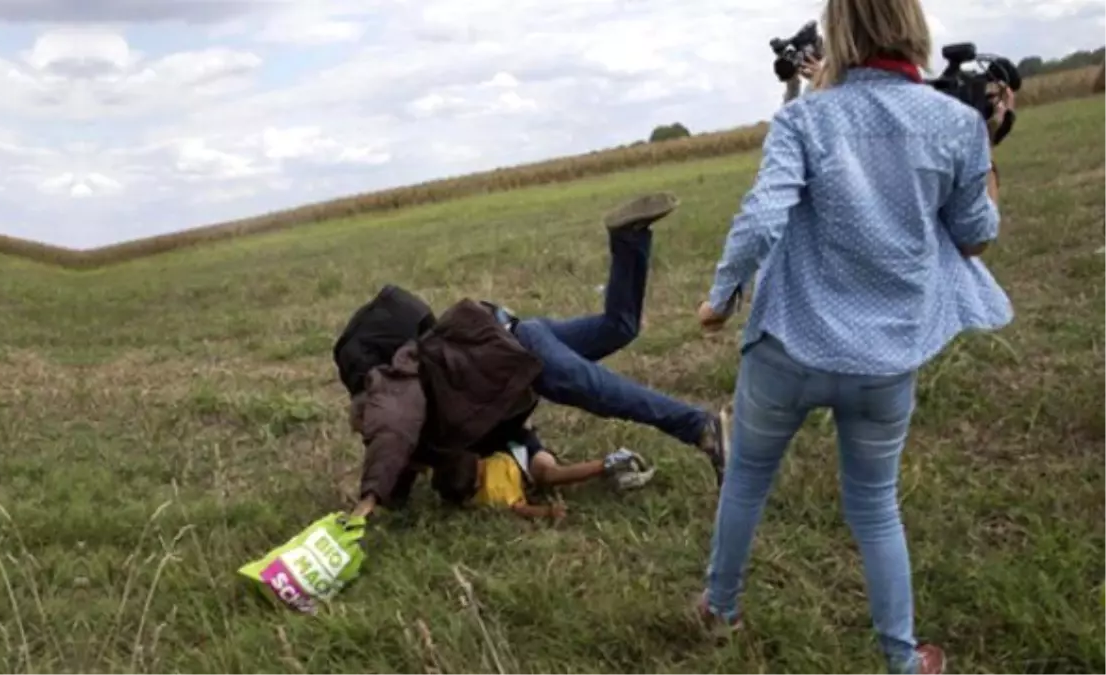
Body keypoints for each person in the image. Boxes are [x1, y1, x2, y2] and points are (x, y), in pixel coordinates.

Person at [692, 0, 1015, 673]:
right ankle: (902, 657)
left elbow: (758, 222)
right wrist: (985, 150)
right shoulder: (956, 124)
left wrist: (720, 298)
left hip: (788, 344)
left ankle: (720, 608)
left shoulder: (804, 118)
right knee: (874, 506)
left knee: (747, 479)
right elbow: (976, 236)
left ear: (838, 34)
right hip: (886, 359)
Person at [348, 193, 729, 522]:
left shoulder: (393, 383)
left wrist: (368, 499)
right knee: (618, 327)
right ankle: (629, 238)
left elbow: (392, 428)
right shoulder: (447, 427)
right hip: (519, 336)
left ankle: (700, 428)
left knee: (595, 389)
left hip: (519, 352)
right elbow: (507, 429)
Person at [428, 428, 656, 521]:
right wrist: (547, 511)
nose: (481, 463)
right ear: (476, 483)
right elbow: (520, 508)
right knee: (549, 476)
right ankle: (609, 464)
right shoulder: (492, 496)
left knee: (550, 475)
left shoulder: (471, 462)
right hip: (524, 460)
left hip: (520, 447)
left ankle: (610, 464)